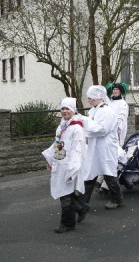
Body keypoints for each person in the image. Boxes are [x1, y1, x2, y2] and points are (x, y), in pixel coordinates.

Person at [42, 98, 87, 233]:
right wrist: (51, 160)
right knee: (66, 193)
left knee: (65, 195)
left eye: (67, 108)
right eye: (62, 108)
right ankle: (81, 207)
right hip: (60, 164)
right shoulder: (62, 126)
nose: (64, 111)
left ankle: (67, 223)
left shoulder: (76, 129)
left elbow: (77, 149)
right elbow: (58, 145)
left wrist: (72, 169)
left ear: (73, 110)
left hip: (69, 166)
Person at [77, 85, 124, 209]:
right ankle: (82, 203)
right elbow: (90, 126)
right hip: (95, 146)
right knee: (90, 173)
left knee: (108, 173)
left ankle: (117, 199)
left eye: (90, 98)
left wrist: (84, 123)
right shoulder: (93, 110)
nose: (89, 100)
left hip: (106, 147)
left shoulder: (107, 111)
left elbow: (102, 129)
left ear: (97, 97)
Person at [96, 82, 129, 195]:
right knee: (106, 156)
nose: (115, 91)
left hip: (116, 133)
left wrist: (117, 129)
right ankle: (102, 178)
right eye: (114, 89)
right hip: (109, 133)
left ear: (121, 91)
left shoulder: (123, 104)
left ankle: (107, 183)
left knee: (114, 157)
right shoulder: (110, 102)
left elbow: (121, 118)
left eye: (117, 89)